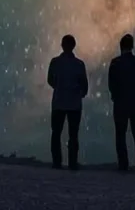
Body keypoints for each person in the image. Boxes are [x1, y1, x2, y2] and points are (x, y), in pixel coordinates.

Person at [108, 33, 135, 174]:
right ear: (132, 46)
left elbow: (111, 83)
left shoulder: (115, 63)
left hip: (120, 103)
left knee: (120, 135)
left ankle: (123, 165)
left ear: (121, 47)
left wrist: (116, 95)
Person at [47, 34, 89, 170]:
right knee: (73, 134)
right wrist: (79, 93)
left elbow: (50, 80)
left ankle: (57, 162)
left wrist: (59, 87)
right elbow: (84, 85)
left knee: (56, 133)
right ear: (73, 46)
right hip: (74, 104)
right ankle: (72, 162)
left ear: (62, 45)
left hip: (59, 101)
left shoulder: (55, 62)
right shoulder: (79, 64)